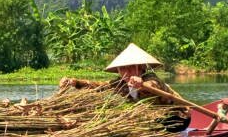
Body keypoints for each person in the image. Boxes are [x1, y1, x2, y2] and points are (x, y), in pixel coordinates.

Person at [59, 43, 191, 132]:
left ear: (139, 67)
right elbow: (97, 86)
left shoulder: (150, 78)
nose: (126, 71)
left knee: (138, 122)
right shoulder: (120, 83)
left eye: (130, 67)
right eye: (122, 68)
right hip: (153, 118)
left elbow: (152, 86)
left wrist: (141, 85)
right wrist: (74, 82)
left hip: (177, 118)